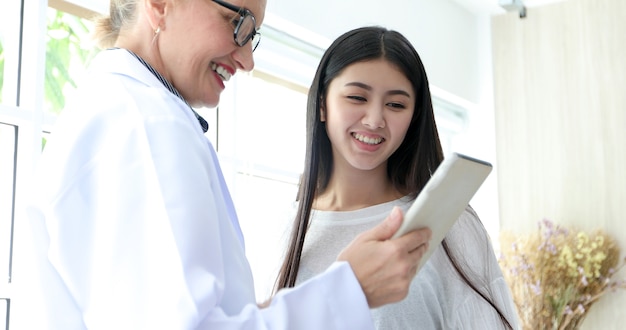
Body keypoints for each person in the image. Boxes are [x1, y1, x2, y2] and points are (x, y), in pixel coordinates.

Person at [21, 1, 433, 329]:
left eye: (253, 36)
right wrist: (351, 289)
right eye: (236, 22)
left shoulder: (120, 110)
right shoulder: (150, 127)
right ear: (161, 4)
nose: (247, 59)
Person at [273, 26, 520, 329]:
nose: (375, 120)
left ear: (413, 117)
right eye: (356, 97)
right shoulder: (286, 228)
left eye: (396, 105)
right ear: (323, 104)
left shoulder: (449, 226)